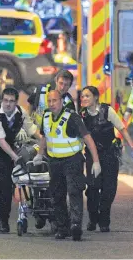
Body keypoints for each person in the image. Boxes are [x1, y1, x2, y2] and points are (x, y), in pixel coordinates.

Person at [33, 90, 100, 241]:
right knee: (57, 195)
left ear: (61, 101)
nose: (52, 104)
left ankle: (75, 226)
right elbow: (45, 136)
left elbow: (87, 138)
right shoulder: (46, 116)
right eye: (49, 101)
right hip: (54, 161)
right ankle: (62, 227)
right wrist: (39, 153)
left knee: (74, 192)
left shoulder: (72, 117)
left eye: (54, 101)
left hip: (72, 160)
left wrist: (96, 161)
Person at [0, 87, 39, 234]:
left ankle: (3, 220)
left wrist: (45, 142)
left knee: (5, 185)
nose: (8, 104)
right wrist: (16, 158)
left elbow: (32, 130)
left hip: (5, 150)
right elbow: (0, 140)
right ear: (2, 100)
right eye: (5, 100)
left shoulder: (21, 113)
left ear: (16, 102)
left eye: (11, 101)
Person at [80, 86, 133, 232]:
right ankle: (93, 218)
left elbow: (122, 128)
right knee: (92, 188)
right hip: (92, 156)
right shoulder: (82, 115)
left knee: (108, 189)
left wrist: (132, 145)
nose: (84, 99)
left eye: (87, 96)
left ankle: (104, 220)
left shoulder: (107, 111)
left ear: (96, 97)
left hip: (109, 154)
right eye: (83, 96)